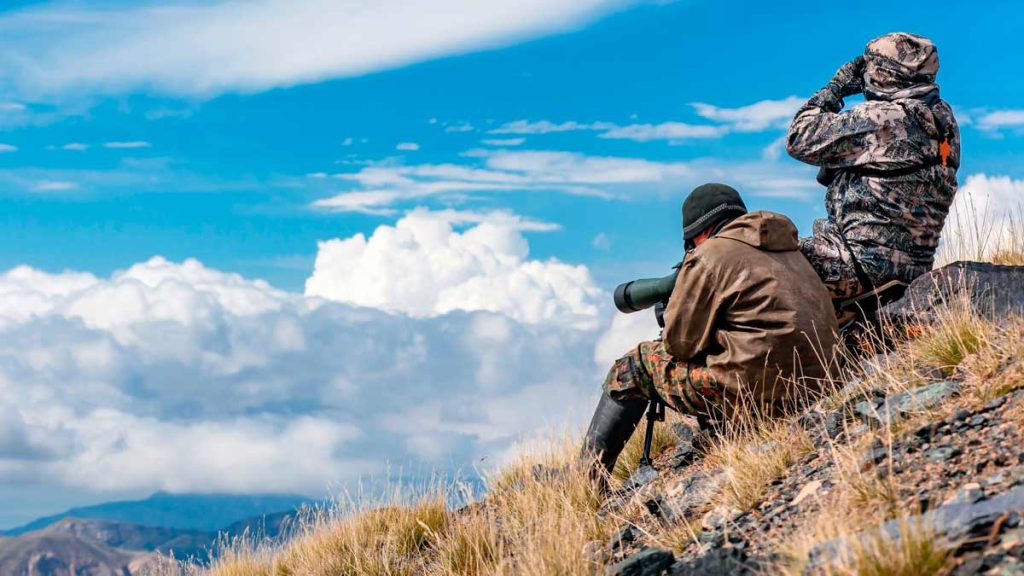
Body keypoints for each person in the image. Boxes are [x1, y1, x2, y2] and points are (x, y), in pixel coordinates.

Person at [581, 183, 838, 479]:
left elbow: (681, 347)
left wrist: (672, 317)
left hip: (760, 397)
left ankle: (585, 480)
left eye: (691, 241)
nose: (692, 248)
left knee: (635, 365)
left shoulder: (711, 254)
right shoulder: (789, 251)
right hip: (820, 389)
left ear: (702, 230)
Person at [787, 32, 960, 302]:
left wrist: (835, 88)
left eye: (870, 65)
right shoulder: (944, 122)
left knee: (753, 252)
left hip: (857, 267)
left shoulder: (883, 118)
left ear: (884, 72)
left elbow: (799, 138)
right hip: (912, 273)